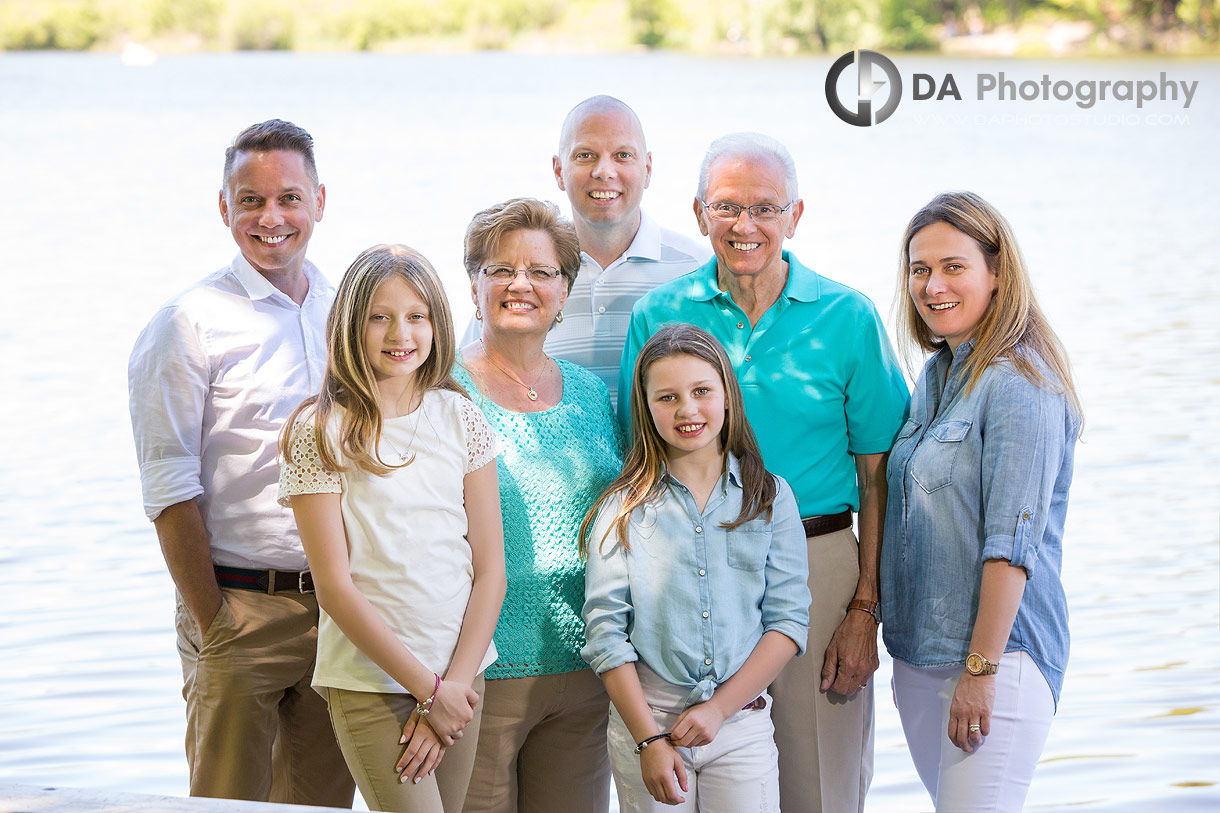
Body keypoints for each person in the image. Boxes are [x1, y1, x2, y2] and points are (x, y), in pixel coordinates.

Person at [620, 132, 910, 813]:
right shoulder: (659, 315)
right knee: (693, 773)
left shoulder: (848, 317)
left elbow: (880, 477)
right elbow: (641, 466)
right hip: (691, 567)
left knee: (820, 785)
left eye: (763, 208)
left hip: (819, 561)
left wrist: (866, 606)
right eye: (726, 207)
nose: (744, 225)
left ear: (795, 215)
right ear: (698, 215)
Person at [127, 120, 354, 805]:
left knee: (321, 802)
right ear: (224, 208)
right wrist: (213, 619)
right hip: (237, 608)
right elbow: (169, 489)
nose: (271, 217)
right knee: (228, 803)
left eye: (289, 196)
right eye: (250, 200)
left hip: (339, 615)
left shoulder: (347, 308)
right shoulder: (187, 324)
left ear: (319, 200)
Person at [277, 244, 506, 813]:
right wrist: (428, 693)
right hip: (373, 683)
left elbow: (490, 570)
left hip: (461, 674)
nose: (400, 332)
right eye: (380, 316)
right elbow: (333, 587)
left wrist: (452, 688)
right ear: (352, 324)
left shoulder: (461, 417)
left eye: (417, 316)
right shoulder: (320, 430)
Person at [882, 192, 1082, 813]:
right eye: (919, 269)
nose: (932, 285)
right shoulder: (936, 376)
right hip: (921, 654)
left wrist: (980, 671)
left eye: (953, 266)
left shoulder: (1021, 382)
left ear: (997, 273)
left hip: (1000, 659)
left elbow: (1011, 546)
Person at [581, 323, 811, 811]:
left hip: (740, 724)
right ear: (646, 408)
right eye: (667, 397)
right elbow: (605, 635)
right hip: (649, 727)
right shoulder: (620, 509)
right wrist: (648, 740)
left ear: (727, 394)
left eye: (701, 391)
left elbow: (788, 622)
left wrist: (719, 709)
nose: (687, 410)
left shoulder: (769, 497)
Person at [453, 198, 624, 813]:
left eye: (541, 271)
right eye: (500, 269)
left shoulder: (589, 393)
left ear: (565, 290)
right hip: (477, 673)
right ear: (474, 286)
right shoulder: (442, 388)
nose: (519, 284)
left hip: (584, 671)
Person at [462, 95, 708, 407]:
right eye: (585, 155)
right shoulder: (523, 282)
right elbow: (467, 377)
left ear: (647, 169)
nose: (604, 171)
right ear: (558, 170)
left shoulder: (696, 270)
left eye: (622, 155)